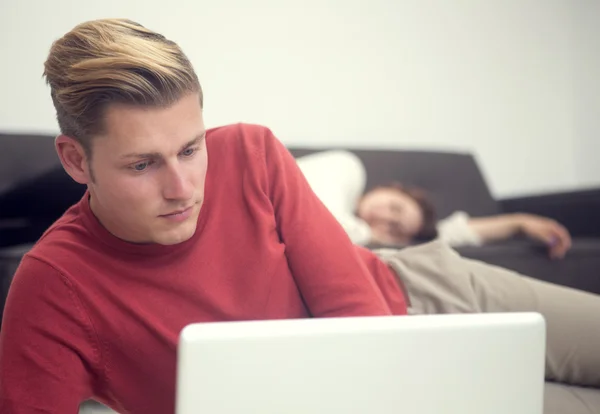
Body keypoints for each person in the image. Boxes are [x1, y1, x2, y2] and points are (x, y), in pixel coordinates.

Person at [0, 19, 598, 414]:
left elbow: (359, 315)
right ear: (76, 159)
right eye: (141, 165)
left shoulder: (251, 151)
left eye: (190, 148)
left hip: (426, 291)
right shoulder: (54, 287)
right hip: (404, 391)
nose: (183, 188)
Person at [296, 150, 572, 259]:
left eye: (394, 229)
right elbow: (318, 224)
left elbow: (448, 234)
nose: (383, 220)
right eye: (395, 208)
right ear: (389, 188)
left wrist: (518, 223)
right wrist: (375, 237)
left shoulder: (364, 236)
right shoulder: (346, 168)